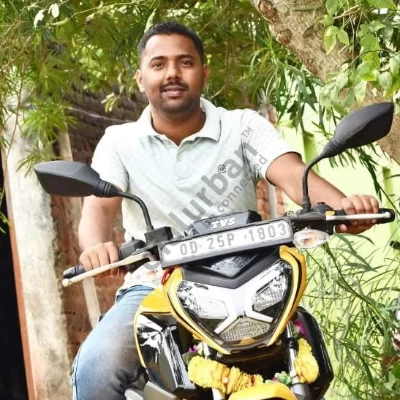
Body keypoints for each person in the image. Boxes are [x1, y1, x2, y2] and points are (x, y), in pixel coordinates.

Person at [71, 21, 380, 400]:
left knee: (304, 355)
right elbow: (98, 211)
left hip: (253, 282)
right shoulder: (119, 142)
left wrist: (346, 208)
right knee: (97, 368)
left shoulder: (242, 126)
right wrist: (96, 248)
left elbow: (293, 176)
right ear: (140, 78)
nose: (172, 73)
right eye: (158, 64)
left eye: (185, 62)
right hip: (156, 288)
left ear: (204, 72)